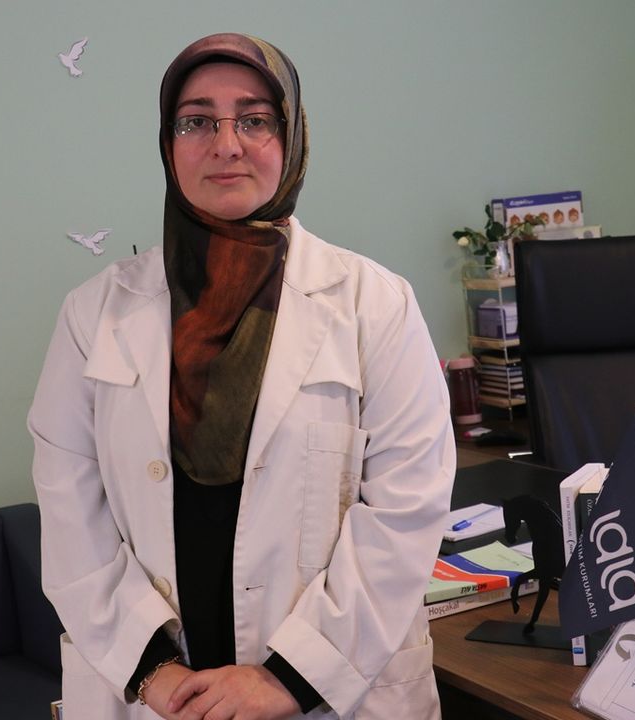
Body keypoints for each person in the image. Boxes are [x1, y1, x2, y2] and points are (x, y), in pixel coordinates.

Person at [29, 33, 455, 719]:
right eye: (196, 121)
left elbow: (406, 511)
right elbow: (70, 514)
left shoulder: (375, 304)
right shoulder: (94, 315)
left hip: (326, 693)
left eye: (255, 119)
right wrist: (151, 670)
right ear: (167, 143)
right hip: (157, 693)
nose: (226, 144)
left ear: (292, 138)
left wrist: (288, 678)